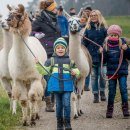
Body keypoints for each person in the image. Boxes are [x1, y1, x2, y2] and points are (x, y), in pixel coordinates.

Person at [35, 37, 80, 130]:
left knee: (67, 104)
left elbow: (76, 70)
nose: (60, 49)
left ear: (65, 49)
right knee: (59, 105)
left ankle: (67, 123)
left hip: (67, 87)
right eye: (58, 48)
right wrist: (38, 64)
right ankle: (59, 124)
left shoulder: (70, 61)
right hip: (56, 87)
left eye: (62, 47)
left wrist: (75, 72)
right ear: (55, 49)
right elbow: (44, 71)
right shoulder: (50, 61)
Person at [31, 0, 61, 112]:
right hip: (45, 51)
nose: (56, 10)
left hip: (58, 51)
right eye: (54, 8)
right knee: (48, 77)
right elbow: (31, 31)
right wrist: (36, 35)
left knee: (56, 75)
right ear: (49, 9)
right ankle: (49, 102)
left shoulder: (55, 19)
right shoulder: (39, 19)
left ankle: (53, 99)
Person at [100, 25, 130, 118]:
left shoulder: (123, 44)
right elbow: (104, 61)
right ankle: (110, 110)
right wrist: (101, 53)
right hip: (111, 73)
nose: (113, 37)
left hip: (122, 72)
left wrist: (127, 50)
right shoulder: (106, 45)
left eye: (115, 35)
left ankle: (125, 109)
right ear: (108, 35)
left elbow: (129, 57)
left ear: (118, 36)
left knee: (123, 90)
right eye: (111, 35)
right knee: (111, 91)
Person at [82, 10, 107, 103]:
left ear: (99, 16)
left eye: (95, 15)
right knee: (93, 76)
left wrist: (103, 48)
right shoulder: (87, 29)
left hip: (102, 57)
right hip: (91, 57)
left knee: (103, 74)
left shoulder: (104, 29)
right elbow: (84, 43)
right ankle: (95, 94)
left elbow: (107, 42)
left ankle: (102, 91)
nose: (93, 17)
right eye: (91, 15)